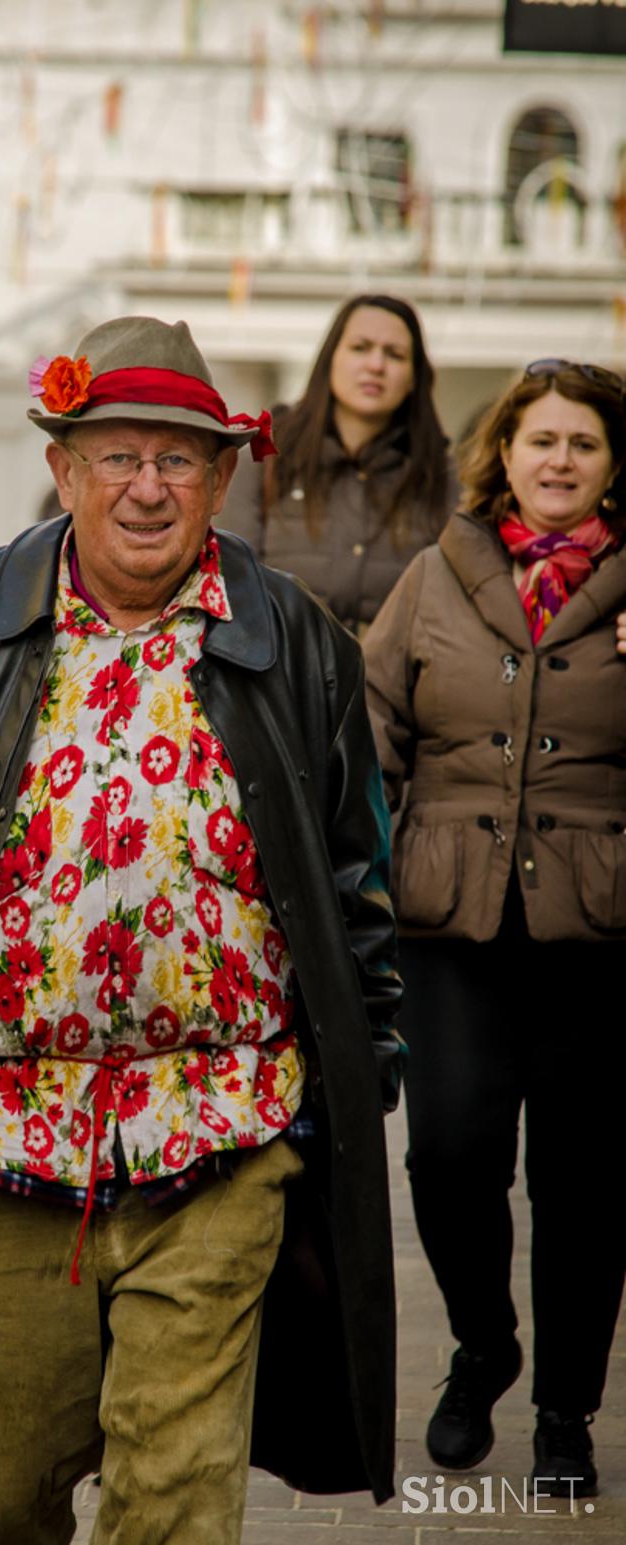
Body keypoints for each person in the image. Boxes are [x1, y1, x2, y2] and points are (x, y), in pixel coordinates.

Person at [0, 315, 405, 1544]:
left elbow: (359, 883)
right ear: (63, 467)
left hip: (222, 1133)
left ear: (222, 477)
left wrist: (360, 1067)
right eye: (115, 456)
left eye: (177, 459)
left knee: (177, 1500)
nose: (146, 487)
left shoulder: (292, 641)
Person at [363, 360, 626, 1498]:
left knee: (585, 1179)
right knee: (451, 1152)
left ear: (612, 465)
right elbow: (371, 725)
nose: (558, 459)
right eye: (540, 440)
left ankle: (564, 1411)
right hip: (446, 920)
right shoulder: (435, 574)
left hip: (599, 929)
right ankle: (483, 1348)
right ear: (503, 454)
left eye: (583, 442)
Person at [218, 293, 454, 633]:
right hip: (280, 678)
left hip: (392, 683)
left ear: (415, 376)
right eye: (360, 348)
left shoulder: (441, 477)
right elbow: (232, 588)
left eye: (395, 354)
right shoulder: (263, 459)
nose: (376, 365)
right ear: (330, 359)